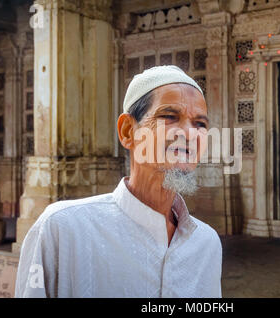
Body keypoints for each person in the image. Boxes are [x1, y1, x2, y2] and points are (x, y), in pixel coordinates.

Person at [15, 65, 223, 297]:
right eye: (169, 117)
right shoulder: (63, 230)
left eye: (200, 124)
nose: (189, 133)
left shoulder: (206, 244)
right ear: (127, 131)